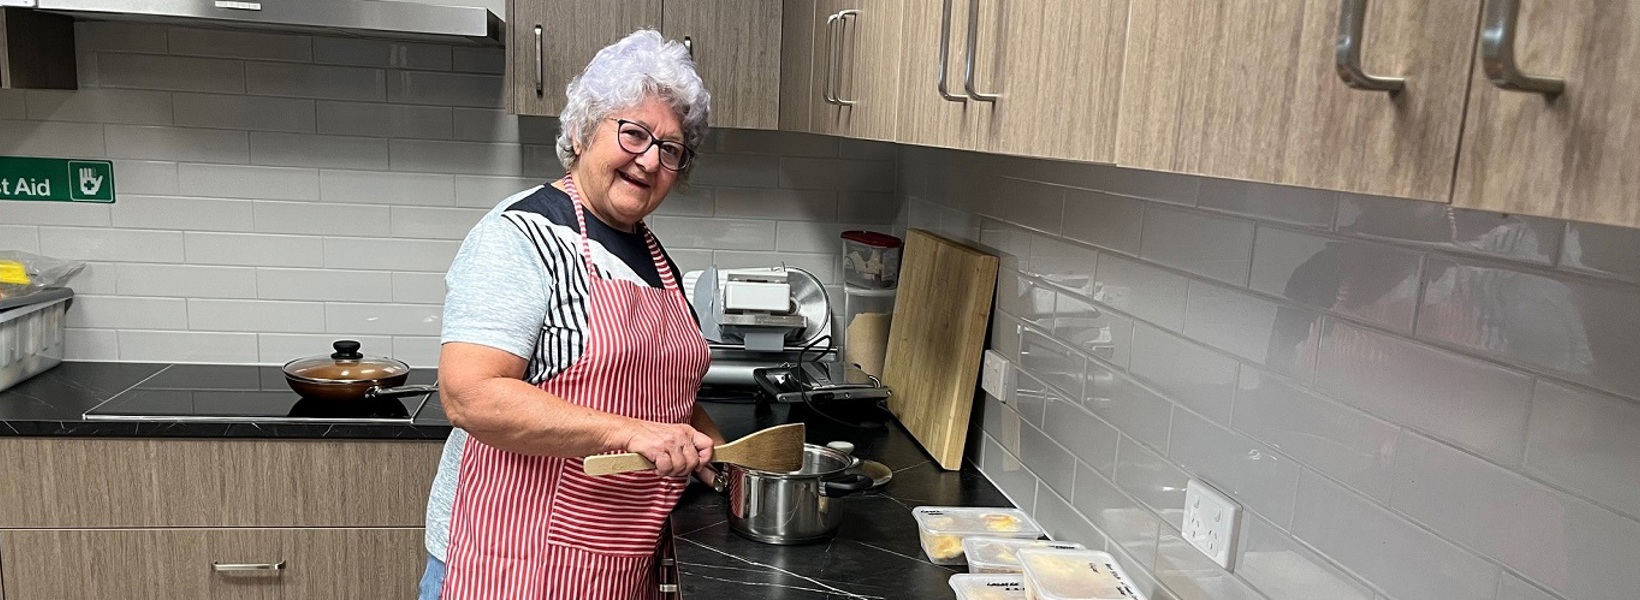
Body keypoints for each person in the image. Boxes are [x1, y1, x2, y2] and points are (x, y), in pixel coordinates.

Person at [418, 29, 722, 600]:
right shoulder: (518, 237)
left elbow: (658, 392)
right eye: (634, 133)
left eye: (671, 148)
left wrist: (717, 456)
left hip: (618, 559)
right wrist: (630, 433)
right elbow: (470, 395)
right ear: (582, 132)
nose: (649, 160)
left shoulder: (653, 255)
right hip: (513, 557)